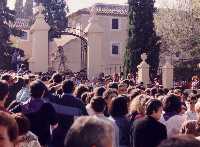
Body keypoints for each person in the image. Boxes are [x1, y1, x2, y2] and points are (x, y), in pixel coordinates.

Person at [50, 80, 88, 147]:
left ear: (62, 88)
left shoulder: (55, 99)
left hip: (56, 137)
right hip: (71, 137)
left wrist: (55, 87)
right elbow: (87, 121)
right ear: (73, 89)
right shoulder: (79, 103)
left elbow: (45, 93)